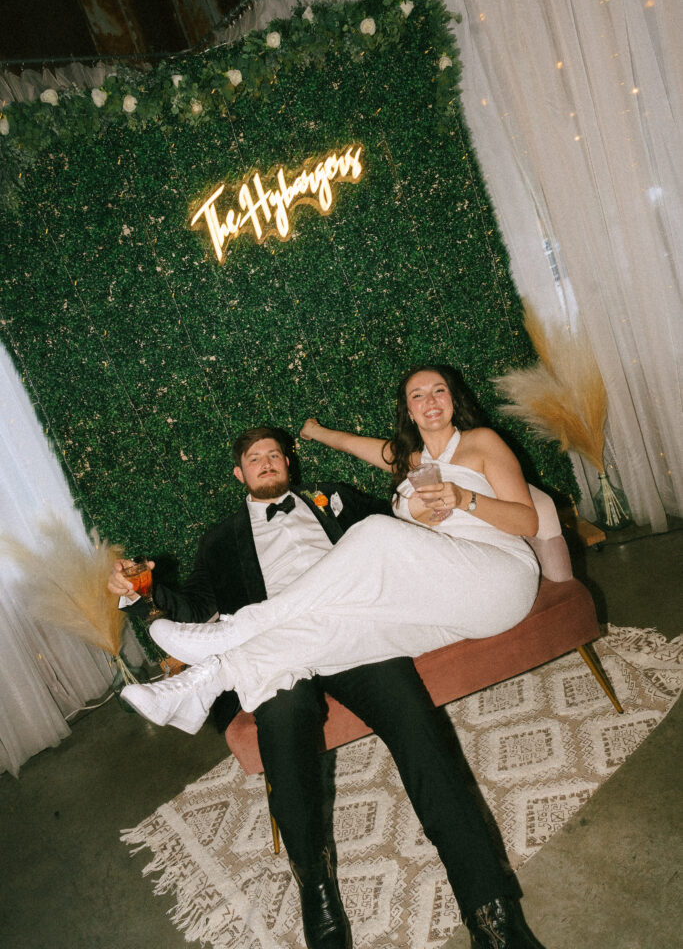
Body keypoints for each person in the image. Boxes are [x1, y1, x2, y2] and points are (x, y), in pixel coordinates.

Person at [109, 367, 546, 949]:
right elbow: (191, 600)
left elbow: (398, 530)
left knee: (421, 738)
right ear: (239, 474)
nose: (268, 462)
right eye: (255, 458)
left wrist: (433, 503)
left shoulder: (334, 501)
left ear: (290, 464)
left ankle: (494, 918)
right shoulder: (221, 540)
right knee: (283, 725)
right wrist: (142, 593)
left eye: (276, 454)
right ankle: (320, 903)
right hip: (282, 658)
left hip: (357, 634)